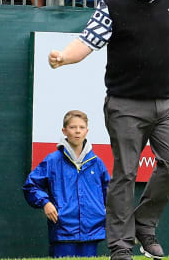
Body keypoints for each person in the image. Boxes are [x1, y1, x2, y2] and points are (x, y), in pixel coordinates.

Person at [48, 0, 169, 260]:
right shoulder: (113, 4)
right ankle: (121, 245)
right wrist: (64, 57)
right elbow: (87, 41)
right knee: (125, 173)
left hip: (168, 100)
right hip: (126, 103)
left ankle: (144, 223)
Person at [23, 109, 110, 257]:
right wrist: (45, 203)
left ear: (87, 131)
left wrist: (105, 213)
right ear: (64, 131)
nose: (77, 131)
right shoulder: (52, 160)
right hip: (63, 229)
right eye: (73, 127)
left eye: (81, 127)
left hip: (92, 231)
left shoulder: (97, 163)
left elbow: (110, 194)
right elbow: (31, 186)